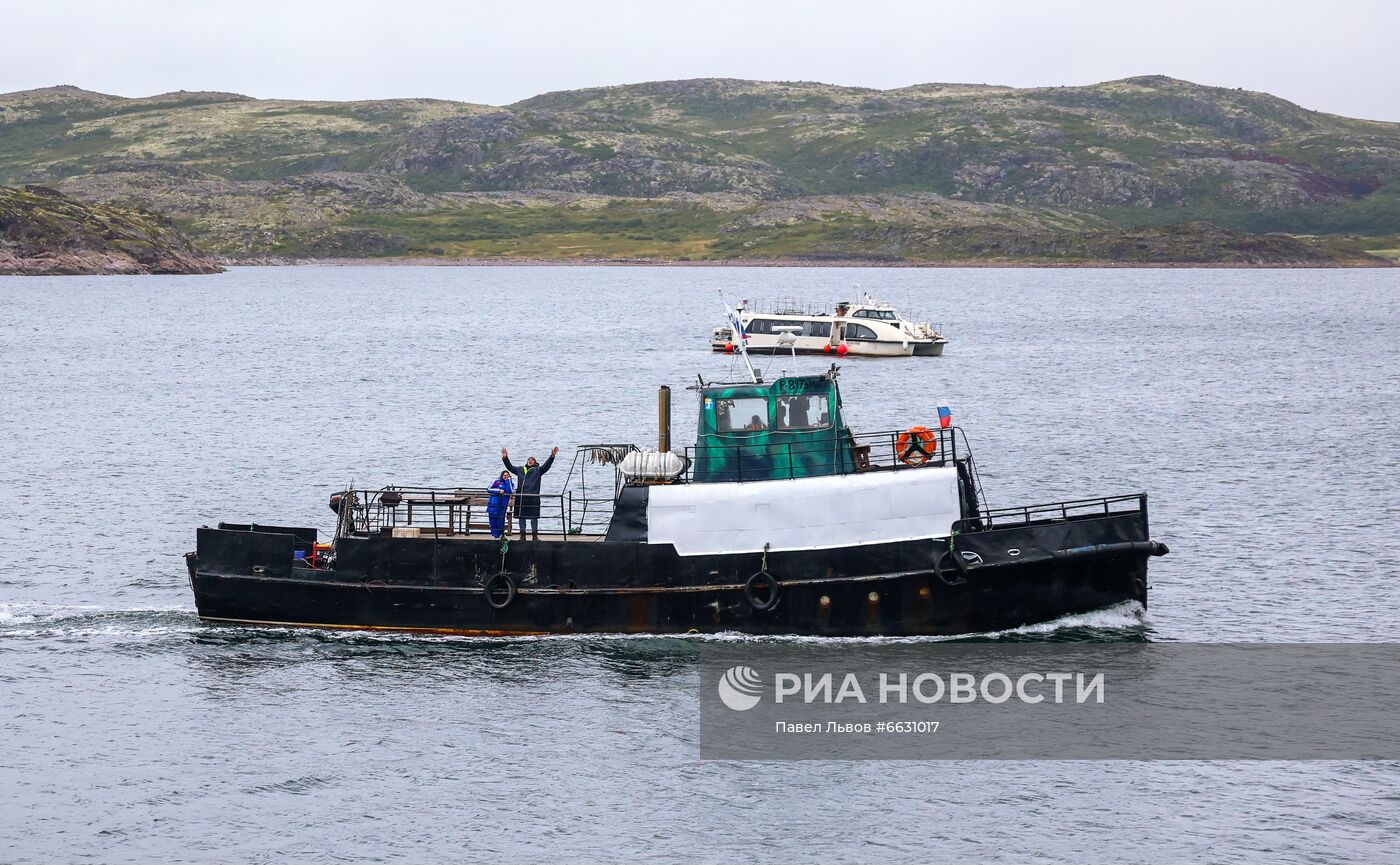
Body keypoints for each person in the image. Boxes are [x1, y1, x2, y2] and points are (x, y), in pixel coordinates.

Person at [502, 446, 558, 541]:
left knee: (534, 517)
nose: (530, 461)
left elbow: (546, 466)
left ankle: (534, 536)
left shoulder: (538, 470)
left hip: (533, 498)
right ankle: (522, 535)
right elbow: (510, 467)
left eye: (532, 460)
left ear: (535, 463)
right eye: (529, 459)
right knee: (521, 517)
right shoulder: (520, 470)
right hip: (521, 498)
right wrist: (505, 458)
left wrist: (552, 456)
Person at [486, 471, 513, 539]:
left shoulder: (510, 483)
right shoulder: (497, 481)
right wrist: (499, 491)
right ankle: (495, 536)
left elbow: (510, 491)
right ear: (501, 475)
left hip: (502, 507)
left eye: (507, 475)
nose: (505, 476)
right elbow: (489, 489)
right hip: (493, 505)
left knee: (500, 523)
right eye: (504, 475)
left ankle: (500, 535)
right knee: (492, 522)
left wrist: (507, 481)